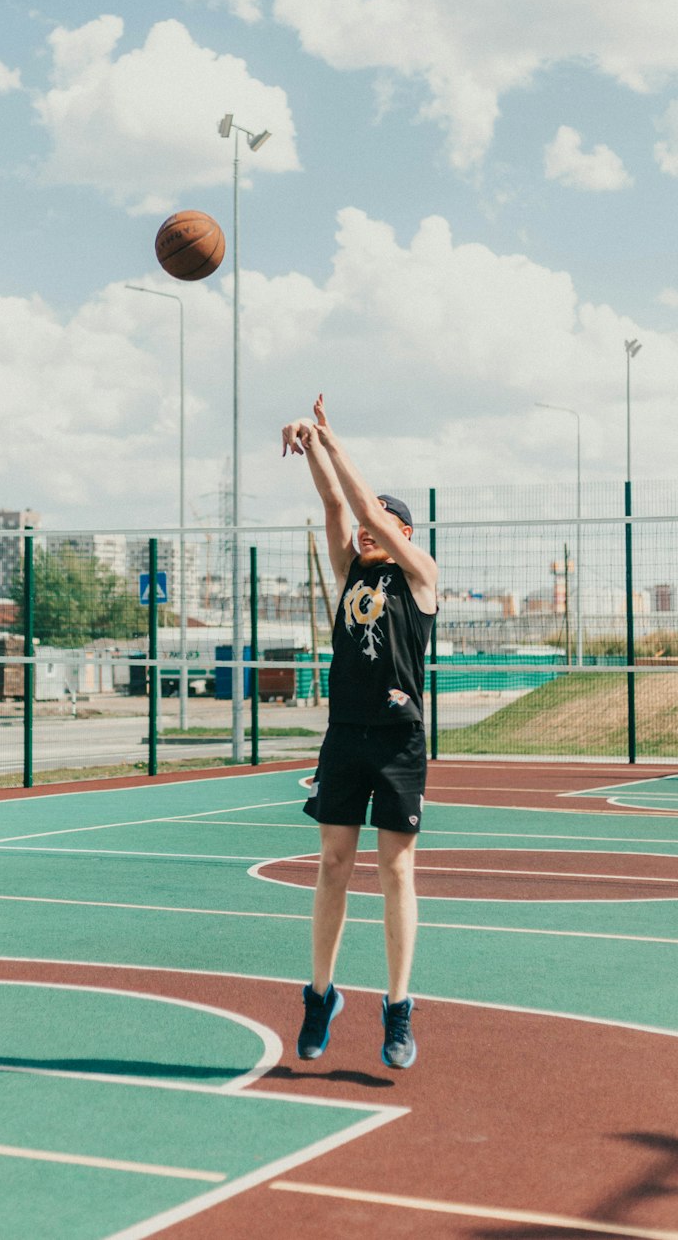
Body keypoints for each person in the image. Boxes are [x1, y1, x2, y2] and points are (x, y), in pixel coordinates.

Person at [281, 394, 437, 1069]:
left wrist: (332, 436)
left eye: (390, 526)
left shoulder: (421, 579)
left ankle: (397, 1009)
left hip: (399, 742)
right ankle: (321, 995)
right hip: (346, 735)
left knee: (395, 869)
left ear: (406, 536)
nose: (374, 531)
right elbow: (340, 510)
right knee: (333, 865)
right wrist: (312, 448)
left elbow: (367, 509)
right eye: (375, 528)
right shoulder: (349, 574)